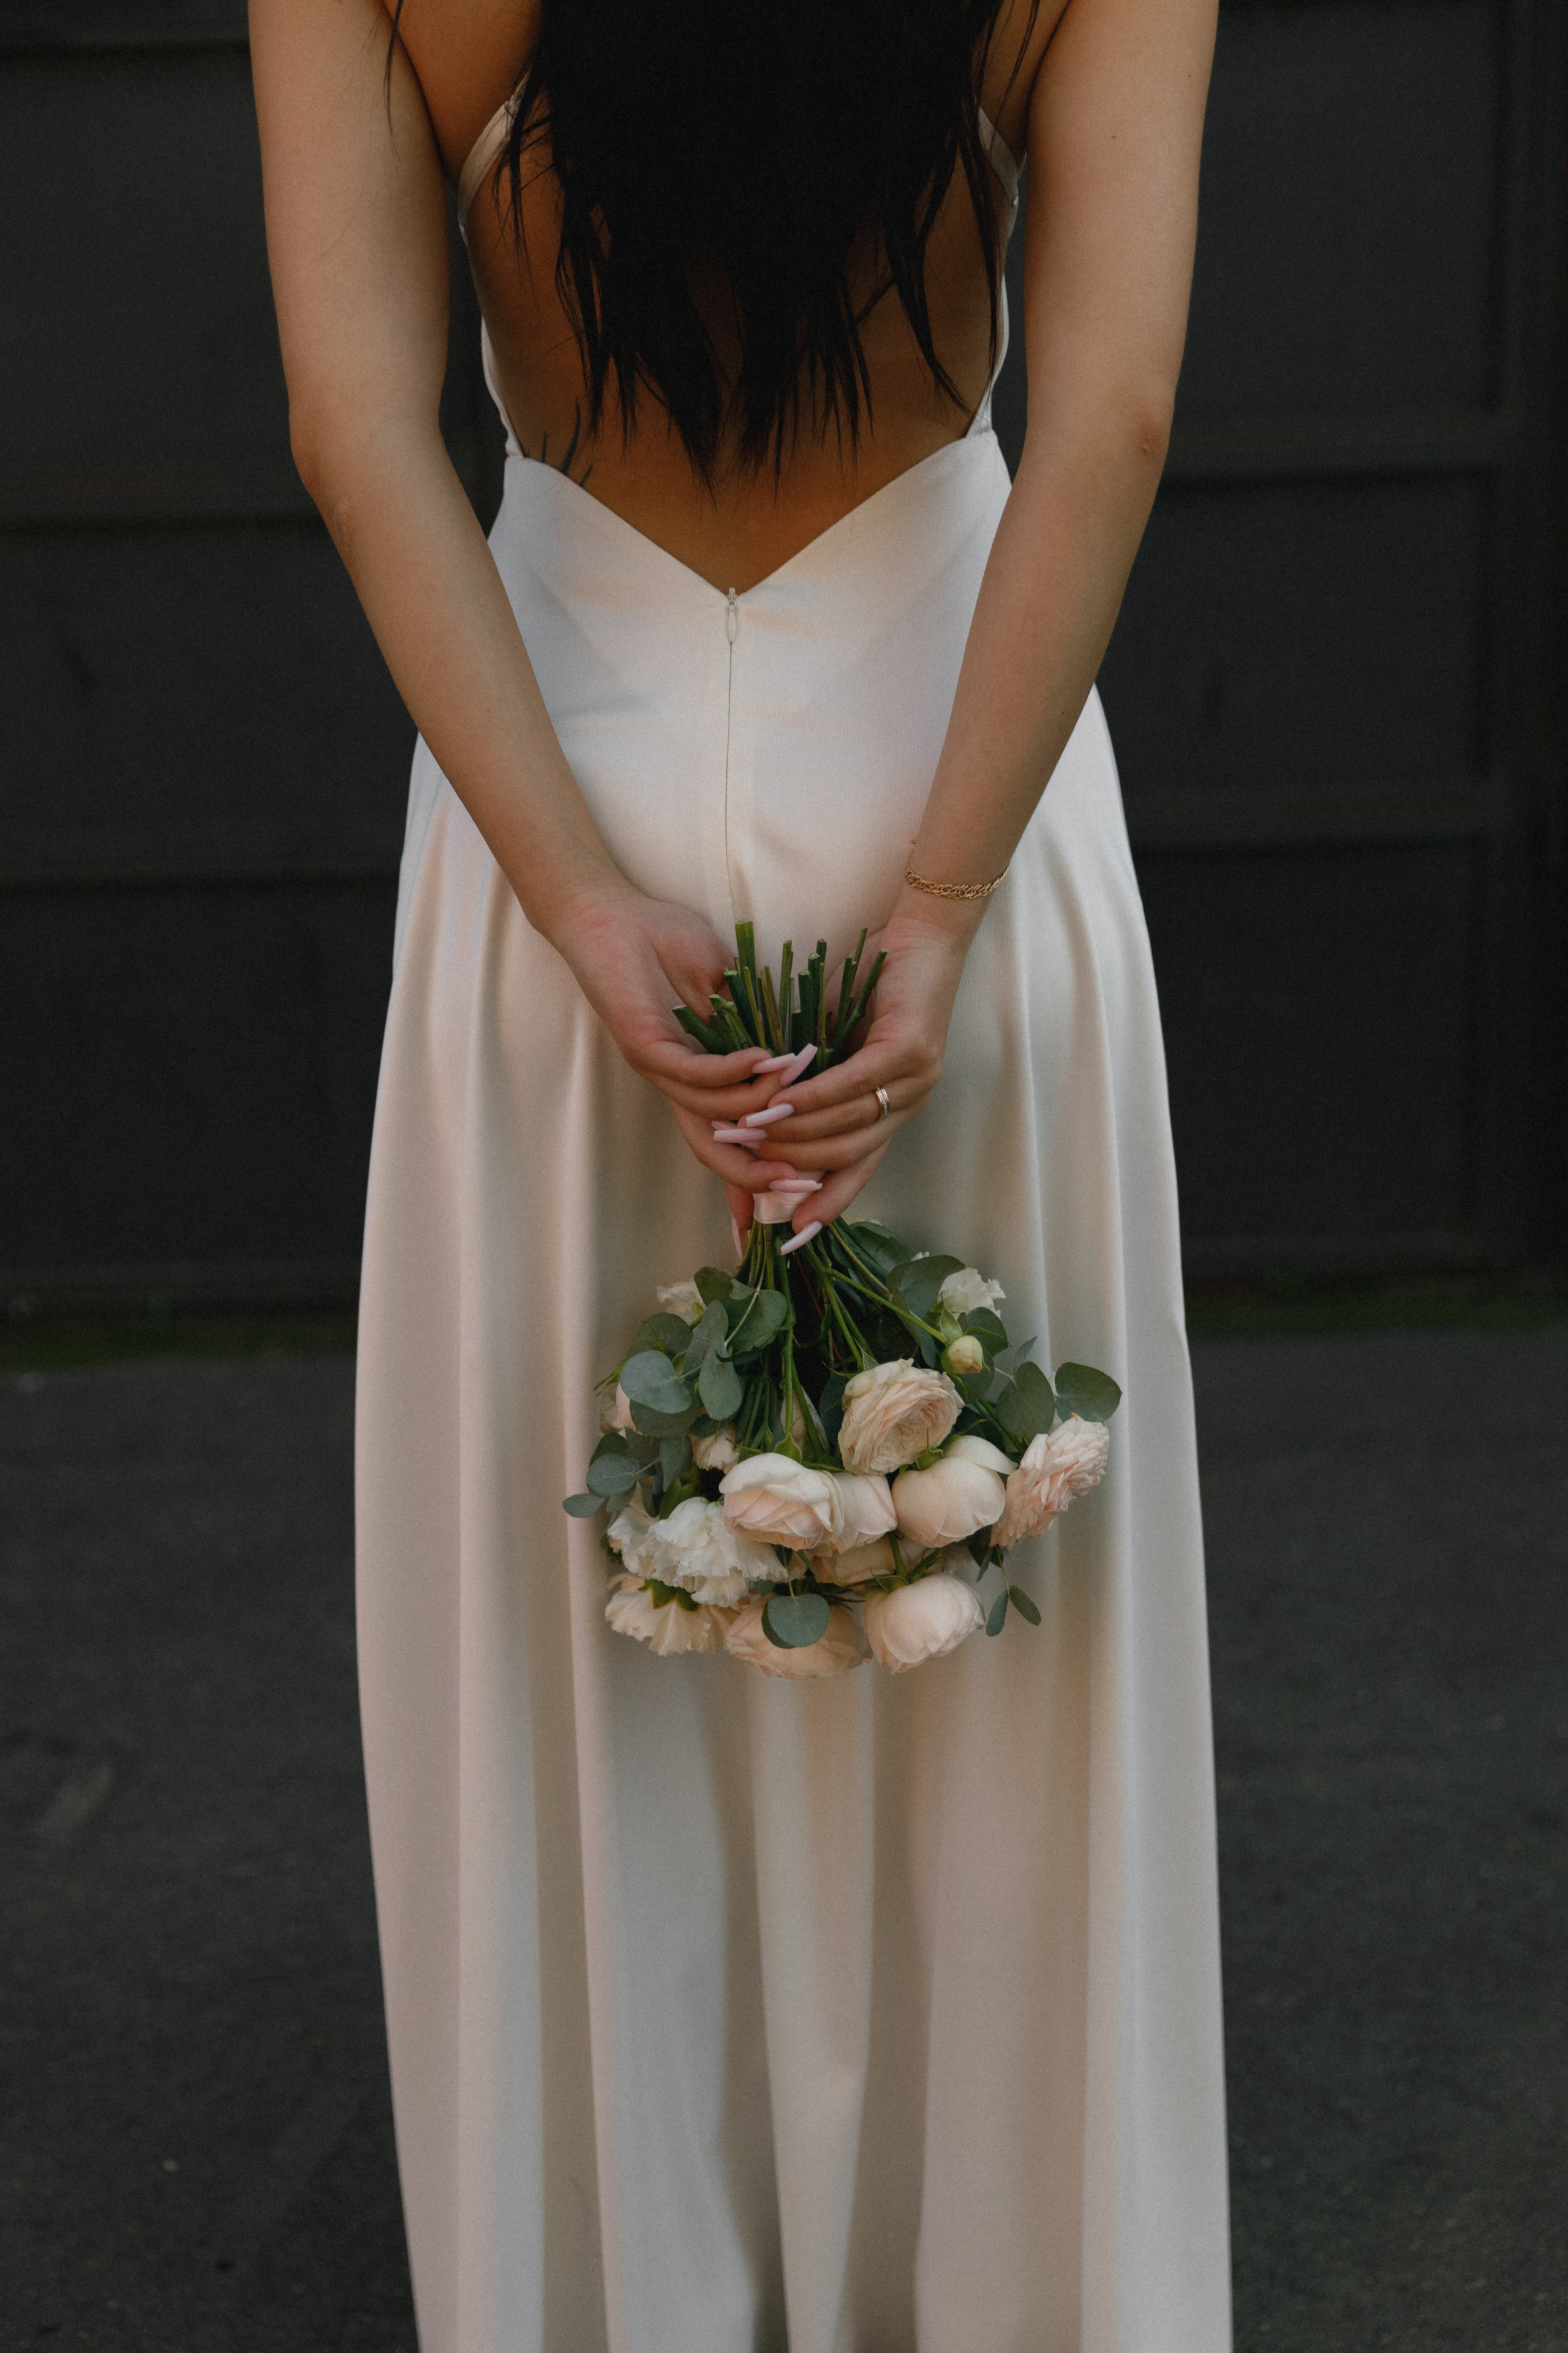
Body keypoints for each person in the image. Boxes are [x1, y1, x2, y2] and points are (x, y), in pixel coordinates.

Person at [251, 0, 1228, 2343]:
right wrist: (945, 903)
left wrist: (581, 900)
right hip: (949, 789)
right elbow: (1110, 411)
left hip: (557, 829)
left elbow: (355, 430)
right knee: (1003, 1659)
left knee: (574, 1664)